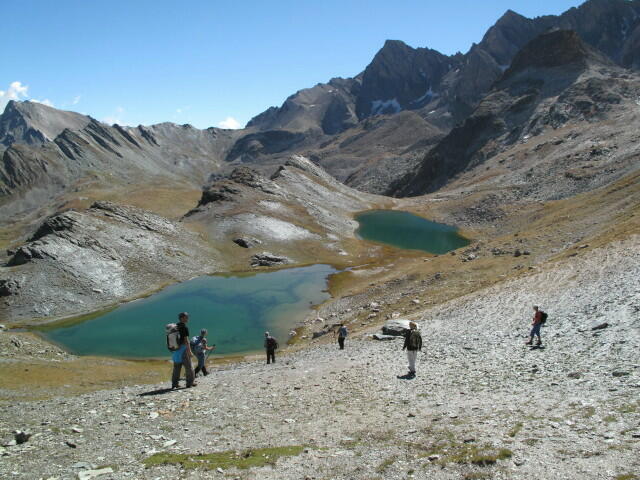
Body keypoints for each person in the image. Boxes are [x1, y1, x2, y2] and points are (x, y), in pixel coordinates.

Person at [171, 312, 196, 389]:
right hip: (183, 350)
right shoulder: (184, 328)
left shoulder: (175, 326)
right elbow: (186, 341)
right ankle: (189, 383)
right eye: (186, 317)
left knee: (176, 368)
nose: (187, 318)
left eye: (187, 317)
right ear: (181, 318)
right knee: (189, 367)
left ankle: (174, 384)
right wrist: (190, 351)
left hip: (176, 350)